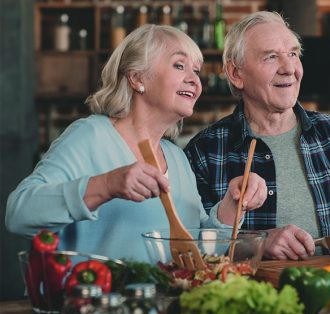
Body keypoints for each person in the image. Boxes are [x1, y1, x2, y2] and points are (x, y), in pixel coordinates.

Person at [5, 24, 267, 262]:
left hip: (162, 308)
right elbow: (19, 214)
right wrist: (107, 184)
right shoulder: (91, 136)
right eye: (179, 65)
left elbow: (196, 251)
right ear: (137, 78)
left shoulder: (176, 157)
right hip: (91, 307)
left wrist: (232, 206)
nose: (194, 79)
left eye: (196, 71)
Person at [184, 11, 330, 260]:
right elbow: (198, 244)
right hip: (256, 295)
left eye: (293, 54)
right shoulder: (205, 151)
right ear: (236, 74)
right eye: (271, 57)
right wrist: (258, 243)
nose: (289, 69)